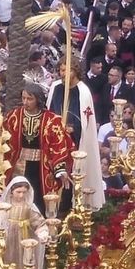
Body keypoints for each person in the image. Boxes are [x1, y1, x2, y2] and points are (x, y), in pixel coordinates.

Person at [47, 59, 105, 210]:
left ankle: (68, 208)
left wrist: (74, 129)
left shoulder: (83, 91)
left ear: (75, 71)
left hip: (74, 143)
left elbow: (86, 121)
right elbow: (50, 112)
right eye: (61, 70)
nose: (63, 73)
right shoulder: (56, 87)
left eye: (67, 70)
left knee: (70, 178)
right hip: (56, 141)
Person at [3, 84, 74, 208]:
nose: (25, 102)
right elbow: (4, 137)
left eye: (30, 99)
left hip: (41, 166)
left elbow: (59, 144)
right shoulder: (13, 116)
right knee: (18, 195)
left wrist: (60, 169)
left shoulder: (51, 120)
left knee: (38, 199)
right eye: (23, 98)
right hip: (18, 164)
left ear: (38, 99)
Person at [0, 177, 49, 269]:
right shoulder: (5, 205)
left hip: (23, 237)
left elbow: (38, 222)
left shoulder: (28, 207)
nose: (21, 195)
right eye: (18, 192)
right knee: (8, 258)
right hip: (8, 238)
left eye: (24, 192)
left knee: (22, 259)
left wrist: (43, 233)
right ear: (11, 191)